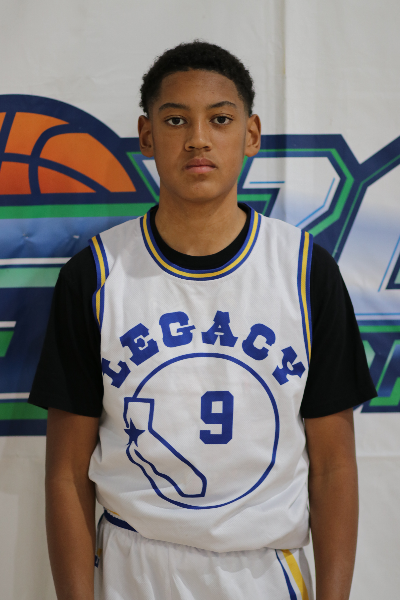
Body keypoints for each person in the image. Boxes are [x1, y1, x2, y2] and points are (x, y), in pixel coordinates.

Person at [29, 41, 376, 600]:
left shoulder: (305, 271)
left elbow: (334, 465)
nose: (197, 138)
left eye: (219, 119)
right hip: (131, 570)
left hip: (264, 573)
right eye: (175, 120)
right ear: (146, 135)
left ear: (251, 133)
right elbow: (66, 473)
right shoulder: (95, 274)